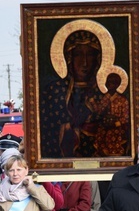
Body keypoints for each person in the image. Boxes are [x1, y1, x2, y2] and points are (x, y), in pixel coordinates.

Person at [41, 27, 130, 158]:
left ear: (98, 58)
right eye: (78, 55)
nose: (84, 62)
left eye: (90, 55)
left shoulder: (103, 92)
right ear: (69, 58)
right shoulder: (54, 91)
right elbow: (47, 130)